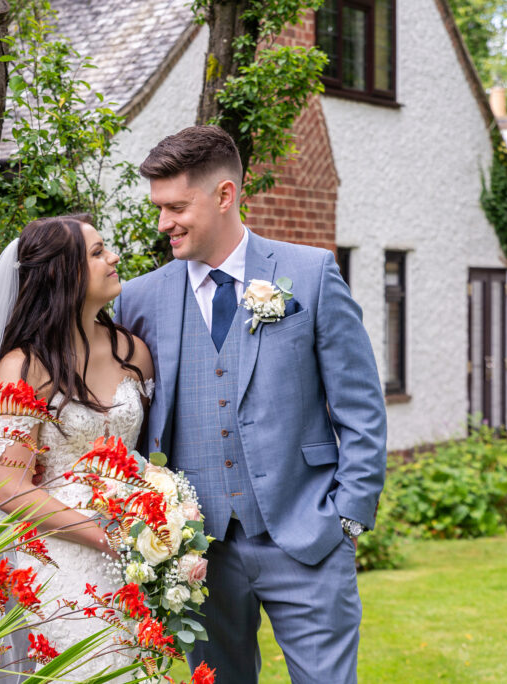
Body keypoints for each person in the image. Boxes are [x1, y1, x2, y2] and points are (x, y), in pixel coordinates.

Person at [115, 125, 387, 683]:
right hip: (195, 553)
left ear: (224, 195)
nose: (163, 222)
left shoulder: (309, 275)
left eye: (176, 206)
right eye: (158, 208)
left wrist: (348, 516)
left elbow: (360, 406)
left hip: (306, 534)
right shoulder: (139, 299)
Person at [0, 215, 154, 683]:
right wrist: (106, 535)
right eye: (96, 253)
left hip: (139, 561)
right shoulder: (23, 368)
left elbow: (150, 456)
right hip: (63, 559)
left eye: (106, 248)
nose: (113, 258)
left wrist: (157, 525)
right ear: (61, 273)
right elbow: (10, 491)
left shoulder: (134, 352)